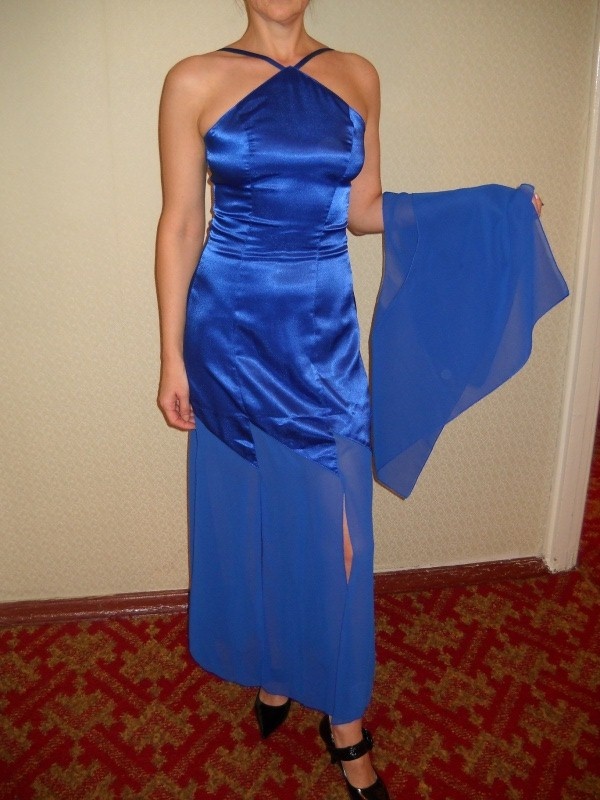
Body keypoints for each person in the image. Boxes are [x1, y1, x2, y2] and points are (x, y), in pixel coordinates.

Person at [155, 2, 545, 798]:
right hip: (229, 330)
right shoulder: (193, 78)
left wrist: (485, 211)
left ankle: (343, 720)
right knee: (261, 518)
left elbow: (363, 211)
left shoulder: (357, 74)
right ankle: (277, 670)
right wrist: (171, 355)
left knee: (341, 540)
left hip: (320, 334)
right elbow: (182, 222)